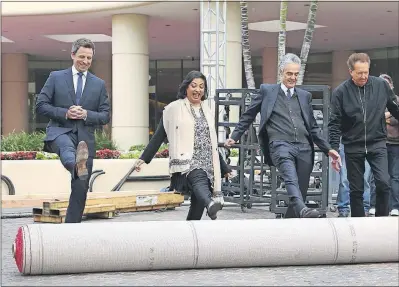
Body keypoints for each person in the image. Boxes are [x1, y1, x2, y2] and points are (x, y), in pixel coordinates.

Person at [225, 53, 341, 219]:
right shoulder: (267, 91)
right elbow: (248, 115)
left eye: (296, 74)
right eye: (289, 73)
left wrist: (328, 149)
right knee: (290, 178)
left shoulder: (304, 96)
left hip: (304, 147)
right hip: (280, 144)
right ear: (281, 73)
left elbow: (313, 127)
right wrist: (235, 136)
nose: (293, 77)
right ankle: (302, 209)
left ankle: (290, 223)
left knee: (300, 189)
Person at [134, 70, 232, 221]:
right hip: (187, 161)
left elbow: (210, 143)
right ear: (186, 87)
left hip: (208, 162)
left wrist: (224, 168)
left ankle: (192, 231)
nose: (198, 90)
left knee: (197, 205)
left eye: (201, 86)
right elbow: (160, 135)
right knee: (198, 178)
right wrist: (143, 158)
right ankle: (211, 203)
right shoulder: (174, 109)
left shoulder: (208, 110)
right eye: (194, 85)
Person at [36, 38, 110, 223]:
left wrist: (86, 114)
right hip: (60, 132)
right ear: (72, 55)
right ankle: (76, 165)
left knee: (80, 189)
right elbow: (41, 106)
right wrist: (66, 113)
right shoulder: (56, 77)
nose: (85, 61)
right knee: (67, 149)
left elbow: (105, 115)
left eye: (89, 58)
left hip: (85, 139)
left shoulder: (98, 84)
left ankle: (72, 229)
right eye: (82, 56)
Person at [328, 53, 399, 217]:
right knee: (356, 188)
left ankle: (381, 220)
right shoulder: (341, 92)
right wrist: (333, 149)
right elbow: (334, 123)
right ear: (350, 71)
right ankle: (358, 223)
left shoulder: (381, 85)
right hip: (353, 145)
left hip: (377, 143)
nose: (363, 76)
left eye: (366, 72)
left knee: (383, 183)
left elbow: (395, 108)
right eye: (359, 73)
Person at [336, 140, 375, 217]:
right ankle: (344, 207)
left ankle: (363, 207)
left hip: (366, 140)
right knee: (345, 178)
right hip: (349, 140)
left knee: (364, 179)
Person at [379, 74, 399, 216]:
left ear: (391, 86)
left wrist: (383, 117)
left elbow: (396, 120)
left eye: (387, 84)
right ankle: (377, 207)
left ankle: (395, 207)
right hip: (379, 143)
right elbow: (370, 119)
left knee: (395, 176)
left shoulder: (397, 100)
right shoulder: (375, 101)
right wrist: (388, 116)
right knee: (378, 176)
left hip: (395, 143)